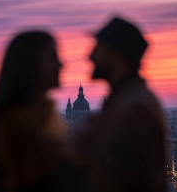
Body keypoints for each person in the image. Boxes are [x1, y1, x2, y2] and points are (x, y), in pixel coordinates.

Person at [70, 17, 167, 192]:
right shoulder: (129, 98)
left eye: (97, 49)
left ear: (115, 57)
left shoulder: (135, 107)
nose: (90, 56)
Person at [0, 31, 68, 192]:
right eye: (53, 57)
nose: (62, 65)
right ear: (31, 64)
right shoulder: (22, 125)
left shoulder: (38, 117)